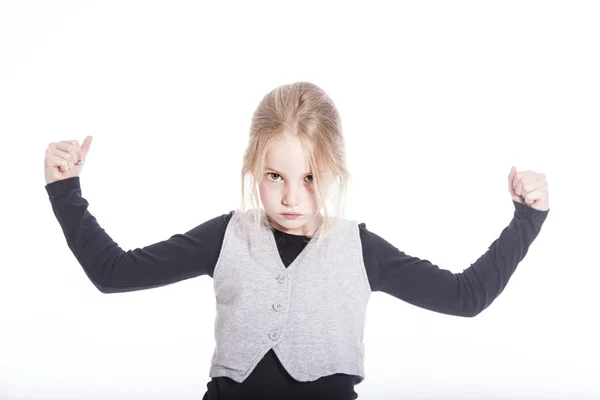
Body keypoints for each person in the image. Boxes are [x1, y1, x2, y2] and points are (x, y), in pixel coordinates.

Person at [44, 81, 550, 400]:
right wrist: (65, 189)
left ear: (334, 173)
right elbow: (113, 273)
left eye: (309, 177)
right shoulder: (226, 237)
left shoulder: (360, 250)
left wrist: (526, 219)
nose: (290, 197)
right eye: (273, 176)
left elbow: (466, 296)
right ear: (253, 170)